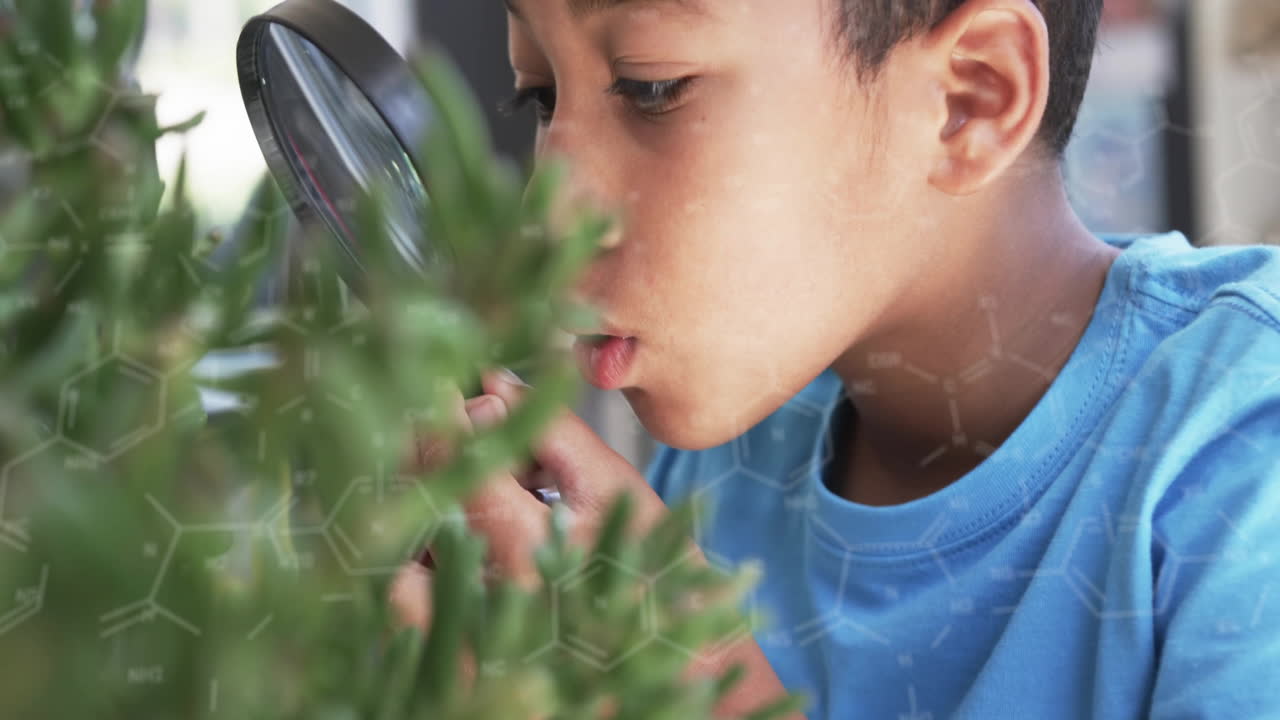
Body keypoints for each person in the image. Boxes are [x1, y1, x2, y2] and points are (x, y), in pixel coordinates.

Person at [392, 0, 1280, 717]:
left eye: (650, 86)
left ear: (970, 98)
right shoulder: (728, 450)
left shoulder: (1244, 449)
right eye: (539, 95)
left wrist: (701, 692)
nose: (549, 213)